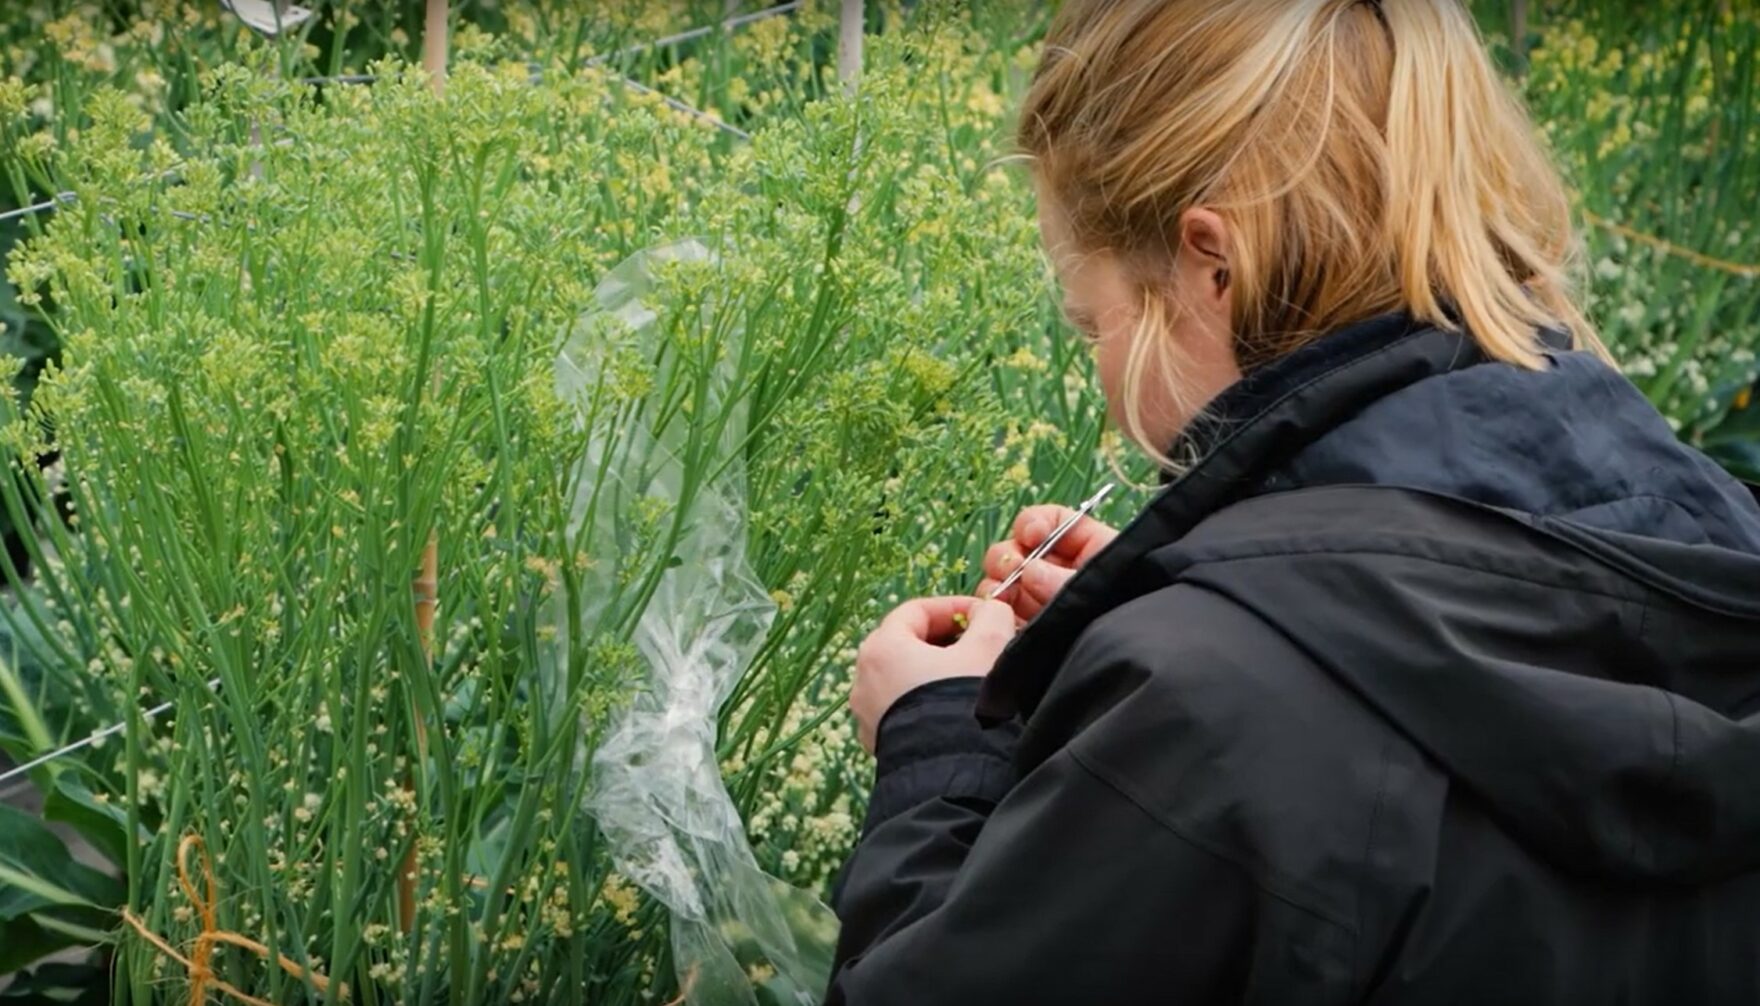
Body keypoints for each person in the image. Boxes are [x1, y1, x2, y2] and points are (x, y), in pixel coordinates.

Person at [825, 1, 1760, 1003]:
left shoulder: (1200, 712)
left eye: (1088, 317)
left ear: (1212, 265)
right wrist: (1181, 609)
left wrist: (935, 746)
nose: (1094, 365)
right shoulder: (1709, 526)